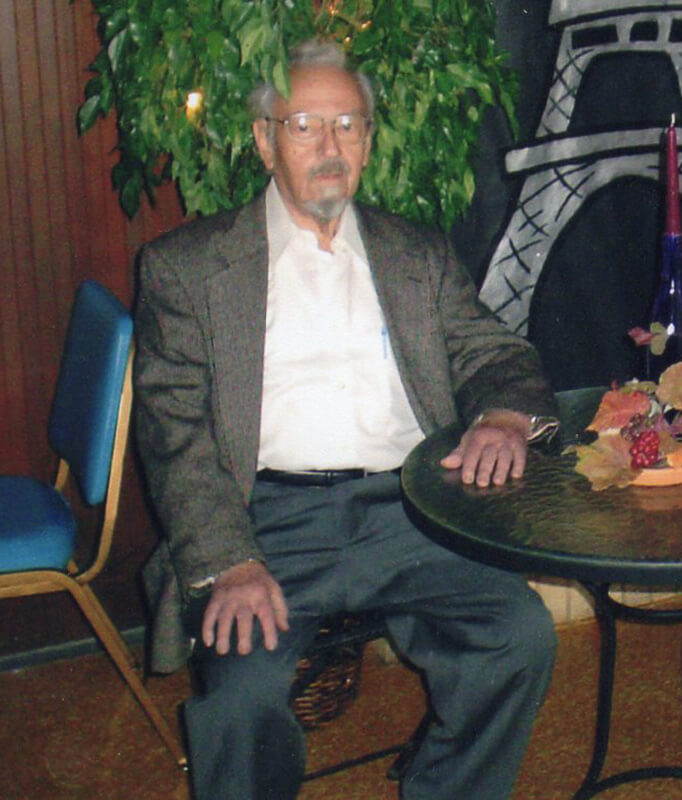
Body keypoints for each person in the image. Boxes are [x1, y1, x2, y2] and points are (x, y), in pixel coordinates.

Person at [134, 39, 559, 800]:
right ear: (265, 140)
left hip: (411, 510)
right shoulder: (189, 267)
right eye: (305, 125)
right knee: (239, 692)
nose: (331, 148)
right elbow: (175, 437)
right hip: (267, 522)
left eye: (350, 125)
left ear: (369, 137)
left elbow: (495, 352)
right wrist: (229, 559)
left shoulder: (415, 254)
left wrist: (502, 415)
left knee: (517, 636)